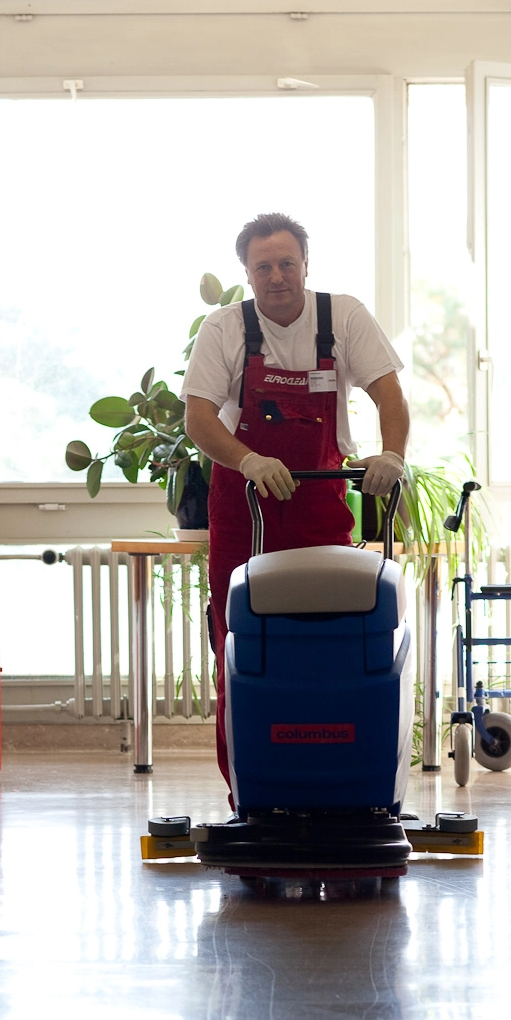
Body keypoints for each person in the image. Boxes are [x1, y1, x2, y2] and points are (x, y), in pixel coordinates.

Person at [182, 211, 410, 797]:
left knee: (330, 644)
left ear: (306, 265)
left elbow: (389, 394)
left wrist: (392, 454)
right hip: (244, 511)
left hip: (320, 507)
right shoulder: (225, 329)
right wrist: (248, 460)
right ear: (248, 273)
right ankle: (251, 794)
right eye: (263, 266)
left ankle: (337, 788)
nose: (277, 276)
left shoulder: (344, 318)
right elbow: (199, 419)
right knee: (238, 648)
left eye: (287, 263)